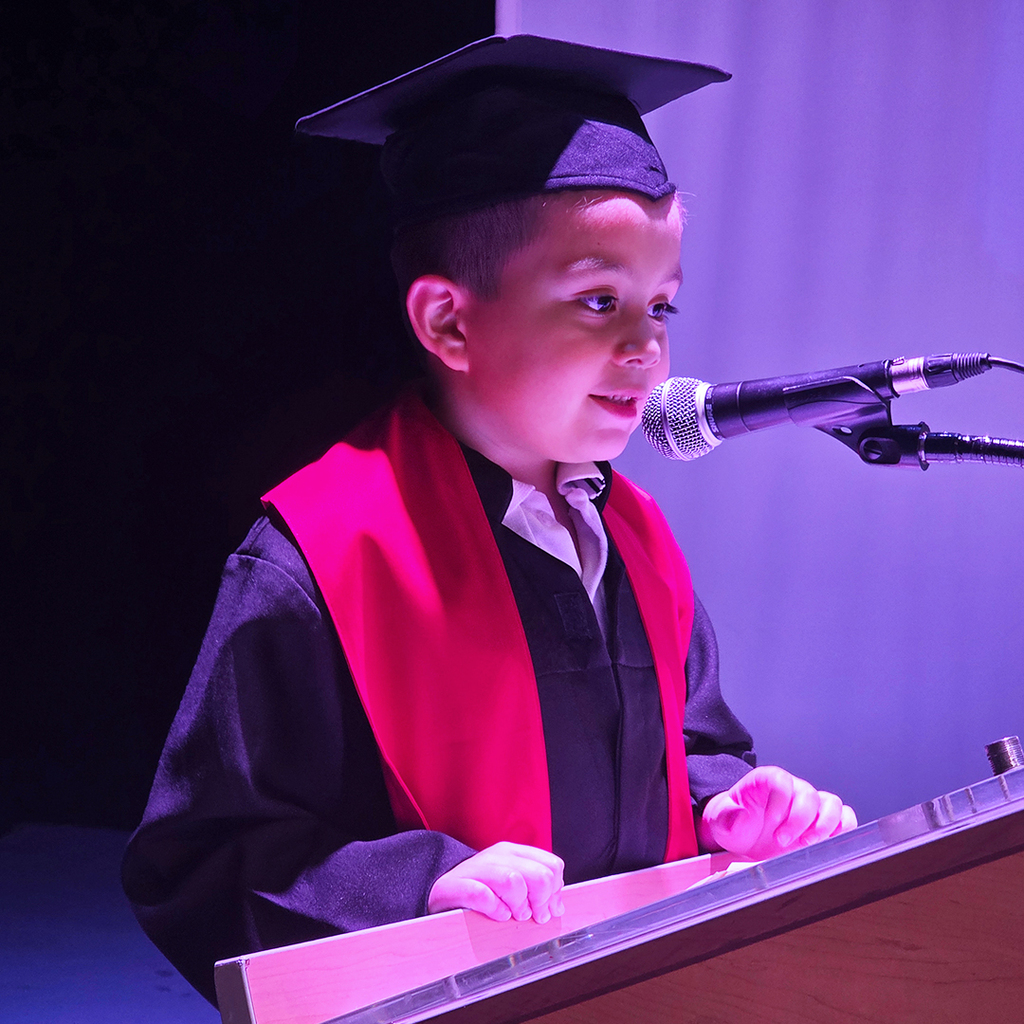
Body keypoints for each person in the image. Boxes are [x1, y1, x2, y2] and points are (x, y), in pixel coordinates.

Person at [122, 35, 857, 1004]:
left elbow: (688, 750)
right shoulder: (323, 556)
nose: (646, 346)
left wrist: (726, 804)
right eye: (598, 300)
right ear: (448, 322)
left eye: (661, 306)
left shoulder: (633, 539)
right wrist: (421, 887)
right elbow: (204, 859)